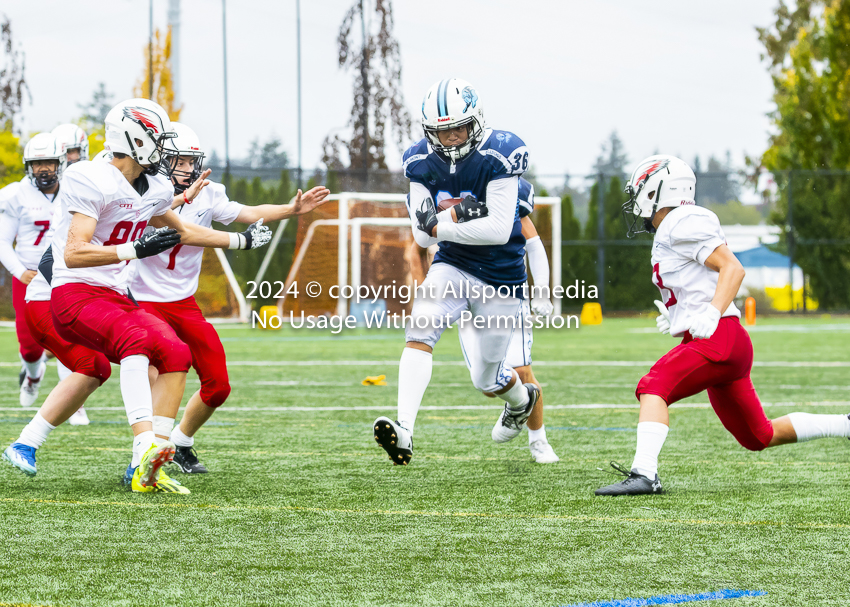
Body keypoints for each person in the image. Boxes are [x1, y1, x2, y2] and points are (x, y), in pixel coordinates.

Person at [4, 98, 270, 494]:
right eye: (157, 139)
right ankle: (144, 444)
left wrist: (238, 241)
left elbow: (182, 230)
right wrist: (135, 250)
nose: (163, 150)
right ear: (134, 138)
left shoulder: (157, 185)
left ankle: (145, 462)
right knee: (138, 340)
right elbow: (74, 254)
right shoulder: (90, 177)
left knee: (175, 353)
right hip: (73, 293)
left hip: (113, 293)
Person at [595, 155, 850, 496]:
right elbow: (698, 278)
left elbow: (733, 268)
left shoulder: (681, 220)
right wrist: (679, 314)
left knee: (652, 386)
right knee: (759, 436)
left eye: (640, 189)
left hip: (719, 337)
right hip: (722, 341)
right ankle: (845, 425)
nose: (636, 199)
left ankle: (645, 473)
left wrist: (712, 312)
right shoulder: (675, 228)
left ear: (658, 190)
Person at [130, 122, 330, 473]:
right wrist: (239, 240)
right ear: (160, 160)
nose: (188, 170)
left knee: (218, 386)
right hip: (141, 300)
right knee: (151, 373)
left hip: (183, 302)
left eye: (192, 162)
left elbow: (248, 213)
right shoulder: (142, 192)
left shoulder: (207, 192)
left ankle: (180, 442)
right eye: (179, 161)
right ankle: (143, 455)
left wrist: (290, 209)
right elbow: (184, 233)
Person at [373, 78, 539, 465]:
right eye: (441, 131)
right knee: (421, 328)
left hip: (501, 276)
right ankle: (404, 430)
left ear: (476, 121)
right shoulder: (419, 160)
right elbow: (422, 237)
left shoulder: (501, 153)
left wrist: (442, 220)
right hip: (453, 264)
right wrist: (451, 220)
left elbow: (498, 230)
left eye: (458, 128)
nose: (450, 138)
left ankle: (519, 401)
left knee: (486, 378)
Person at [410, 178, 559, 463]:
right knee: (488, 385)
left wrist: (541, 290)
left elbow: (533, 242)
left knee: (522, 368)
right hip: (464, 295)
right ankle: (517, 404)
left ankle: (538, 440)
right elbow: (427, 243)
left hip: (503, 289)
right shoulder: (431, 183)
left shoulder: (500, 182)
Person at [0, 132, 65, 407]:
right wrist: (19, 272)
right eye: (37, 163)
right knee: (29, 347)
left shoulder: (76, 188)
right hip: (30, 275)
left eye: (48, 162)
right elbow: (2, 240)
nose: (43, 169)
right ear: (29, 166)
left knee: (71, 336)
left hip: (66, 274)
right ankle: (34, 376)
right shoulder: (16, 194)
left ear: (59, 162)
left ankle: (74, 401)